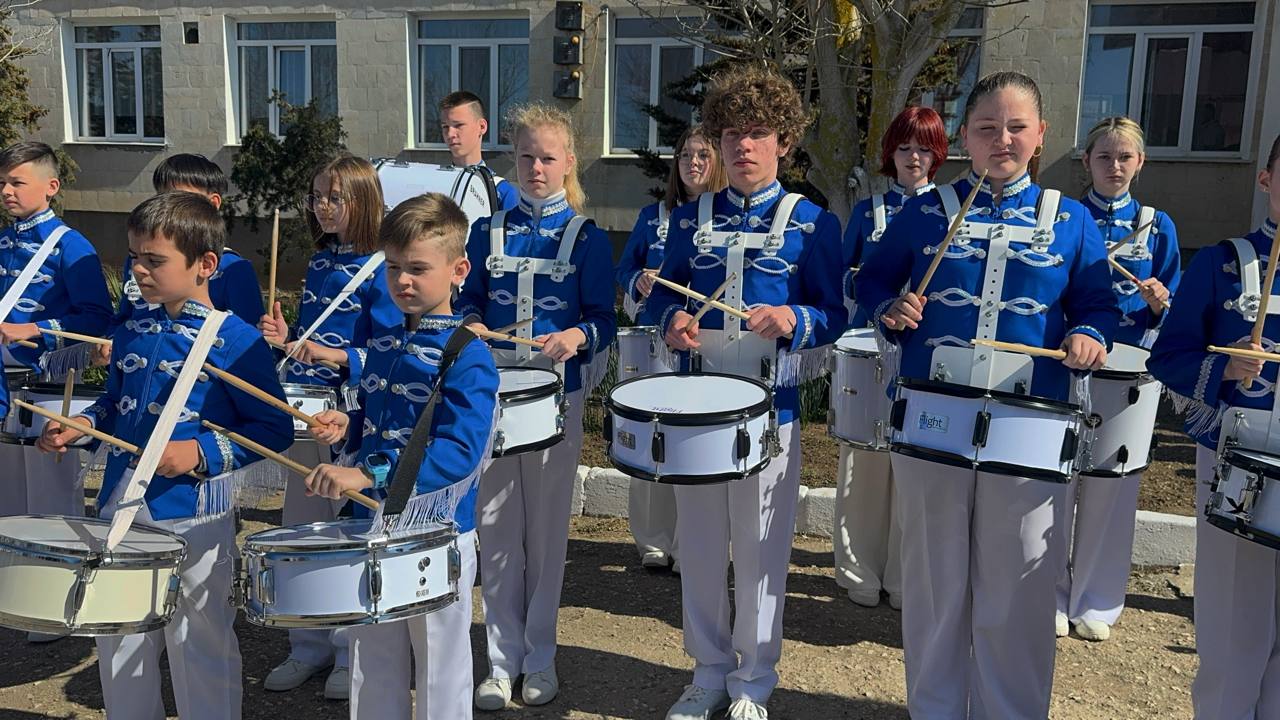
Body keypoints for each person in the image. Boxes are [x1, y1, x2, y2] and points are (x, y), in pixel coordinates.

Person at [856, 70, 1119, 718]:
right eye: (986, 128)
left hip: (1029, 430)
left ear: (1041, 134)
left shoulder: (1072, 220)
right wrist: (891, 308)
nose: (1002, 139)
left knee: (1020, 588)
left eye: (1016, 127)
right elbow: (870, 284)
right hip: (932, 421)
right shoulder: (924, 212)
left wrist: (1088, 334)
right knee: (934, 585)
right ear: (964, 137)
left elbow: (1097, 304)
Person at [37, 191, 294, 720]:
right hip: (120, 502)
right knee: (119, 635)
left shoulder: (236, 340)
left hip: (193, 512)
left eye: (154, 260)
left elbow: (274, 428)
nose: (138, 270)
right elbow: (115, 404)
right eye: (135, 257)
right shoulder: (132, 329)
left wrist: (199, 453)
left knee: (199, 639)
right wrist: (82, 427)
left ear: (205, 265)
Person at [645, 65, 844, 720]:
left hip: (770, 411)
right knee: (700, 546)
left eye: (757, 133)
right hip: (696, 410)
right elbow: (662, 297)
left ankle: (754, 679)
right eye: (731, 134)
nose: (743, 146)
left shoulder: (813, 223)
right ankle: (707, 670)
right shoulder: (688, 219)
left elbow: (836, 313)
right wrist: (670, 321)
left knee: (761, 551)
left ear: (784, 140)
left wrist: (795, 319)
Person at [301, 192, 500, 720]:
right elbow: (377, 420)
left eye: (418, 269)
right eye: (393, 268)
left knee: (440, 662)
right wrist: (346, 429)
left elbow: (460, 452)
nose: (403, 281)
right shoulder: (384, 343)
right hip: (374, 521)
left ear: (459, 270)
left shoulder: (469, 355)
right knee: (372, 655)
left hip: (436, 528)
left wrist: (368, 473)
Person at [460, 103, 617, 711]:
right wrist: (471, 323)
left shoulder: (588, 237)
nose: (536, 168)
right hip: (494, 397)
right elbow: (468, 301)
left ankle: (541, 658)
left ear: (568, 162)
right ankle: (501, 664)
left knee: (547, 533)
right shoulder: (485, 231)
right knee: (496, 529)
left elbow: (603, 319)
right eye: (526, 156)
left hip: (556, 398)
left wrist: (577, 336)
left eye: (548, 157)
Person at [257, 153, 401, 699]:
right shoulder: (320, 264)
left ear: (362, 201)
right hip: (305, 412)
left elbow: (391, 350)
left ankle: (348, 650)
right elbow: (305, 340)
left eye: (334, 197)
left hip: (350, 417)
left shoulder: (382, 268)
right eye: (317, 196)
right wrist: (285, 339)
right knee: (302, 526)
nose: (322, 206)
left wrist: (334, 355)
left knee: (347, 530)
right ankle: (306, 644)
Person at [1147, 133, 1280, 719]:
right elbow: (1168, 356)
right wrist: (1225, 366)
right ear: (1266, 179)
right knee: (1233, 619)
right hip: (1237, 454)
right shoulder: (1221, 262)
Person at [1055, 116, 1181, 642]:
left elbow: (1175, 310)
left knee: (1115, 483)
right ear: (1086, 161)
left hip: (1130, 369)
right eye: (1104, 157)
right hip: (1069, 360)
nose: (1114, 166)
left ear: (1140, 162)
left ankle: (1097, 599)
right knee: (1057, 476)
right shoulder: (1063, 216)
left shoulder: (1158, 225)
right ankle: (1050, 593)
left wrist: (1158, 302)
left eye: (1125, 157)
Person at [834, 105, 948, 610]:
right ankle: (858, 567)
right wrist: (868, 288)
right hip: (870, 350)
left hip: (924, 355)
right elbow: (842, 278)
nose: (914, 157)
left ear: (938, 153)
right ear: (890, 153)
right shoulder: (867, 212)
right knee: (863, 462)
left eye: (924, 148)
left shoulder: (949, 210)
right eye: (904, 148)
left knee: (915, 464)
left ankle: (905, 573)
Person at [614, 123, 727, 572]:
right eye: (684, 155)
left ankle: (688, 541)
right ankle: (653, 539)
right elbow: (624, 269)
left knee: (694, 440)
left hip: (704, 345)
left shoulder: (724, 217)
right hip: (654, 340)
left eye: (702, 155)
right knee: (650, 434)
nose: (692, 163)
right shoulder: (651, 217)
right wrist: (638, 280)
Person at [0, 140, 111, 530]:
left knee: (50, 503)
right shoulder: (3, 242)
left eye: (17, 182)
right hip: (2, 385)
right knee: (6, 500)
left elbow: (97, 319)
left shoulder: (71, 245)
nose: (6, 191)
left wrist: (35, 329)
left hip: (45, 384)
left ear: (51, 187)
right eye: (2, 183)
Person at [99, 153, 264, 364]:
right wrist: (110, 341)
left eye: (181, 199)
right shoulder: (139, 261)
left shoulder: (234, 269)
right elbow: (125, 316)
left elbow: (248, 341)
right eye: (162, 198)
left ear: (213, 203)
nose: (168, 207)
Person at [439, 91, 519, 211]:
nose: (450, 134)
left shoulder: (500, 192)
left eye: (458, 125)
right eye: (445, 126)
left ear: (482, 127)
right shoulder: (436, 184)